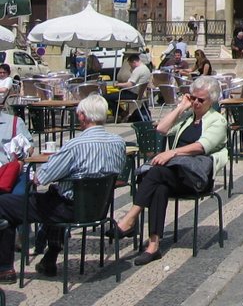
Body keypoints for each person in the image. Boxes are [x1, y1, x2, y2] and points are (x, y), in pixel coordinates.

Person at [0, 94, 125, 282]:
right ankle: (50, 256)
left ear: (82, 116)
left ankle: (5, 268)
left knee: (4, 205)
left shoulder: (75, 145)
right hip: (99, 209)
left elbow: (42, 177)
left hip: (69, 209)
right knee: (53, 196)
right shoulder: (118, 142)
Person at [108, 76, 228, 266]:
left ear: (211, 101)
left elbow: (201, 146)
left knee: (156, 173)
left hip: (196, 178)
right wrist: (181, 107)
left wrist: (171, 153)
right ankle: (153, 246)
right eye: (193, 98)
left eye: (201, 100)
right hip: (173, 176)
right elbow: (162, 129)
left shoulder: (217, 121)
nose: (196, 102)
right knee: (159, 185)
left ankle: (130, 219)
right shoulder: (188, 118)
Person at [104, 53, 151, 117]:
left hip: (133, 94)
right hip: (140, 93)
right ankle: (121, 113)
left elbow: (130, 85)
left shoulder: (138, 70)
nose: (130, 66)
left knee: (106, 97)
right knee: (113, 95)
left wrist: (118, 84)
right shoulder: (146, 69)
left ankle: (120, 114)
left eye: (130, 64)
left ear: (134, 62)